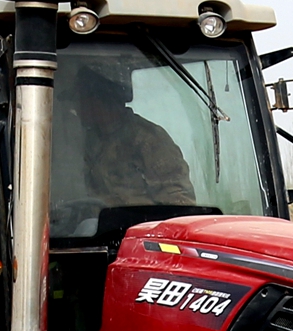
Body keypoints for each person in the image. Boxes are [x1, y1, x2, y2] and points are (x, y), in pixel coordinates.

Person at [53, 57, 195, 215]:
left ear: (97, 100)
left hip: (138, 226)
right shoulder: (91, 139)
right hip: (99, 225)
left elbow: (179, 200)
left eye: (79, 100)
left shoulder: (147, 139)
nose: (76, 107)